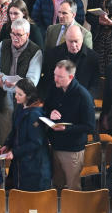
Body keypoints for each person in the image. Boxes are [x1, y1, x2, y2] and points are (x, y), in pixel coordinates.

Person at [41, 59, 95, 190]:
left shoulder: (83, 96)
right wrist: (50, 114)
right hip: (54, 145)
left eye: (60, 76)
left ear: (71, 77)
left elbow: (89, 127)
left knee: (73, 187)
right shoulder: (54, 88)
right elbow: (44, 109)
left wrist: (66, 128)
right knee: (56, 185)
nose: (55, 79)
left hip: (72, 150)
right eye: (55, 75)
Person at [0, 78, 54, 191]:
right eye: (15, 93)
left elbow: (36, 142)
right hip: (22, 161)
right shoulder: (20, 107)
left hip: (34, 164)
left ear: (28, 96)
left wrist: (14, 152)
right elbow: (14, 129)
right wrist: (7, 144)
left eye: (20, 94)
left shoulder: (35, 114)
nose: (15, 96)